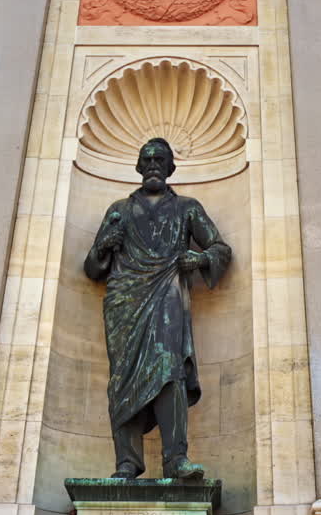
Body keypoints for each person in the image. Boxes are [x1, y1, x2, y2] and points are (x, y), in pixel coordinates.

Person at [85, 137, 231, 480]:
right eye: (147, 159)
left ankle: (176, 459)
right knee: (122, 379)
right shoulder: (118, 210)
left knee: (170, 372)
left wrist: (200, 257)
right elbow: (92, 269)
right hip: (124, 303)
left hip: (167, 294)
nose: (153, 164)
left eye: (160, 159)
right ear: (138, 166)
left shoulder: (187, 208)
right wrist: (103, 248)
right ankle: (127, 463)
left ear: (169, 167)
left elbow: (220, 249)